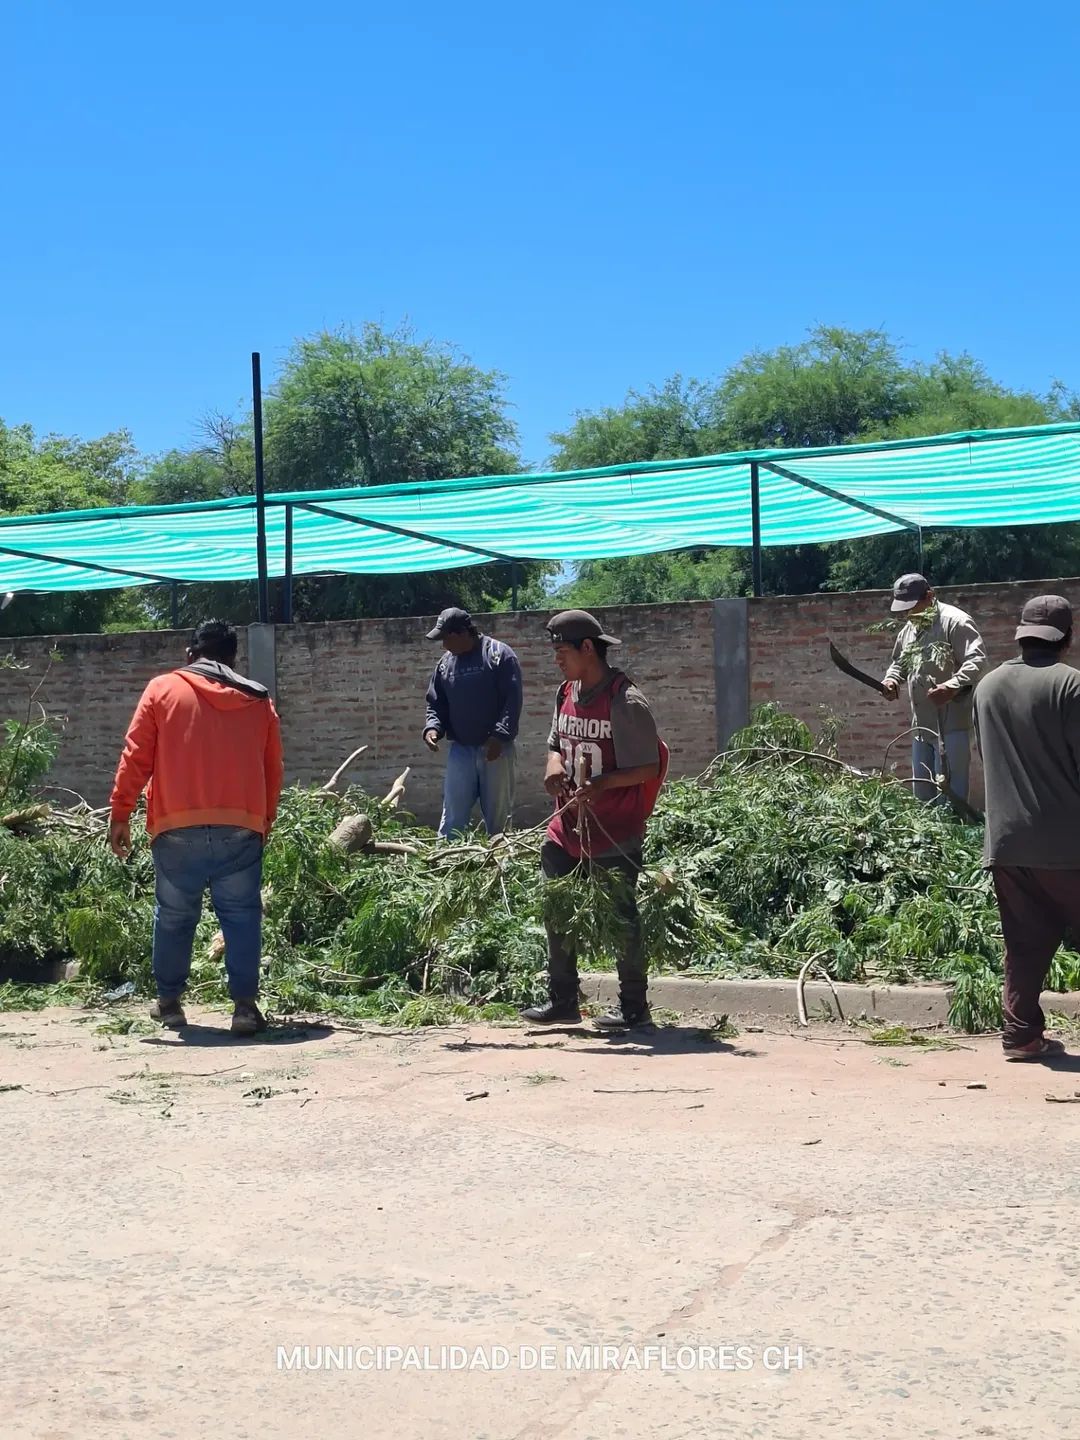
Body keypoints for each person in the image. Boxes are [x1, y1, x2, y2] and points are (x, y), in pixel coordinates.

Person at [109, 619, 284, 1036]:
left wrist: (120, 811)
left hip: (175, 826)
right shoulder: (257, 699)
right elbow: (272, 768)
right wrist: (265, 820)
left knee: (173, 916)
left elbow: (136, 755)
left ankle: (169, 1004)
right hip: (241, 824)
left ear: (190, 655)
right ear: (233, 658)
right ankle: (244, 1008)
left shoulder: (162, 689)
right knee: (242, 916)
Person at [522, 610, 663, 1032]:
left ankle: (634, 1007)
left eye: (562, 651)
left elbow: (648, 767)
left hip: (614, 830)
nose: (556, 660)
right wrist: (551, 765)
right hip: (566, 828)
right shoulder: (566, 691)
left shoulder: (625, 700)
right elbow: (554, 743)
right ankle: (563, 1000)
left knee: (621, 917)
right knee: (557, 909)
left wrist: (601, 784)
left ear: (588, 648)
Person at [973, 595, 1080, 1062]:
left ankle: (1021, 1036)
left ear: (1021, 633)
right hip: (1066, 842)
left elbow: (985, 757)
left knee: (1024, 940)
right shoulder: (1071, 686)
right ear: (1067, 637)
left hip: (1006, 842)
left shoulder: (987, 686)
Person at [881, 573, 987, 802]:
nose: (908, 613)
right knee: (922, 791)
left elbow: (977, 660)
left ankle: (953, 835)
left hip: (951, 724)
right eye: (904, 609)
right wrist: (891, 680)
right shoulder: (909, 628)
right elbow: (900, 661)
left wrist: (950, 686)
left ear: (930, 596)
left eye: (912, 606)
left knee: (950, 793)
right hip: (921, 724)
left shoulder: (955, 621)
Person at [423, 607, 522, 839]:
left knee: (499, 820)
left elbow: (512, 699)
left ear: (462, 633)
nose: (444, 645)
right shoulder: (445, 664)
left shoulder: (499, 655)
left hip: (497, 750)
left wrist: (500, 736)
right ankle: (449, 861)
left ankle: (500, 862)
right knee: (452, 818)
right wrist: (432, 727)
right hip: (461, 750)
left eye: (447, 638)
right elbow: (436, 702)